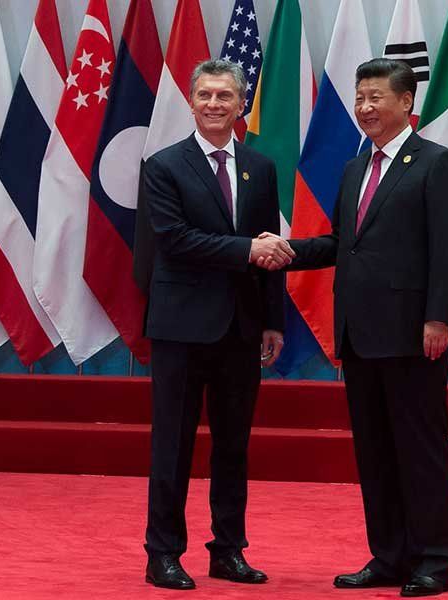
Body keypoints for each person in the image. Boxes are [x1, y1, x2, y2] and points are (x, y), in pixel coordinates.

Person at [260, 58, 448, 597]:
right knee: (374, 451)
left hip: (415, 333)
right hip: (359, 333)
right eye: (360, 99)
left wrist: (439, 317)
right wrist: (288, 251)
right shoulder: (356, 169)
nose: (366, 108)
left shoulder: (436, 164)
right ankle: (389, 556)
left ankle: (435, 561)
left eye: (377, 98)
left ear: (406, 104)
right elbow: (341, 244)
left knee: (421, 449)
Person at [141, 59, 294, 590]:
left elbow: (271, 248)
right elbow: (175, 241)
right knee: (173, 445)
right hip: (181, 329)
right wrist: (246, 249)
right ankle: (162, 552)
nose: (213, 104)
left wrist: (273, 320)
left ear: (240, 104)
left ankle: (227, 549)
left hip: (242, 329)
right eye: (204, 95)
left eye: (224, 96)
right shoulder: (163, 165)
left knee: (234, 445)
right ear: (190, 102)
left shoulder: (261, 166)